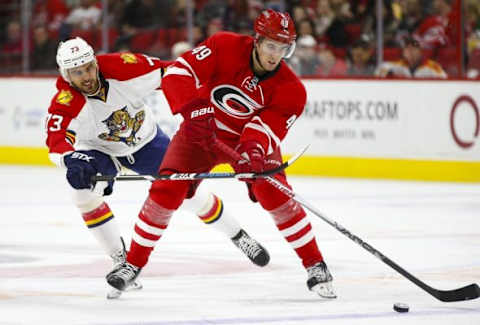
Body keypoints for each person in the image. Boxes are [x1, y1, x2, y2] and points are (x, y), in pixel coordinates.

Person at [107, 9, 336, 299]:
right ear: (257, 40)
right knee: (165, 189)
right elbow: (179, 72)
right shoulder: (224, 46)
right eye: (270, 46)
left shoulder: (292, 90)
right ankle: (133, 264)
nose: (275, 55)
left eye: (283, 48)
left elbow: (266, 128)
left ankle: (316, 264)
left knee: (274, 192)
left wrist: (253, 150)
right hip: (199, 133)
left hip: (244, 141)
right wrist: (192, 110)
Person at [45, 37, 270, 296]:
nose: (85, 76)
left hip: (146, 143)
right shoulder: (65, 101)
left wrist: (201, 102)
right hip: (100, 151)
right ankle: (121, 259)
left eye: (88, 67)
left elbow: (173, 72)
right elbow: (56, 141)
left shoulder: (123, 67)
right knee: (82, 193)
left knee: (188, 194)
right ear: (66, 74)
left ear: (95, 62)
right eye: (76, 72)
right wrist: (71, 159)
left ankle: (239, 236)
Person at [375, 37, 447, 78]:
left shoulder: (432, 67)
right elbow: (379, 73)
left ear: (420, 51)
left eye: (413, 48)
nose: (410, 51)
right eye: (407, 48)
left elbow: (445, 83)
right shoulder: (396, 65)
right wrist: (391, 74)